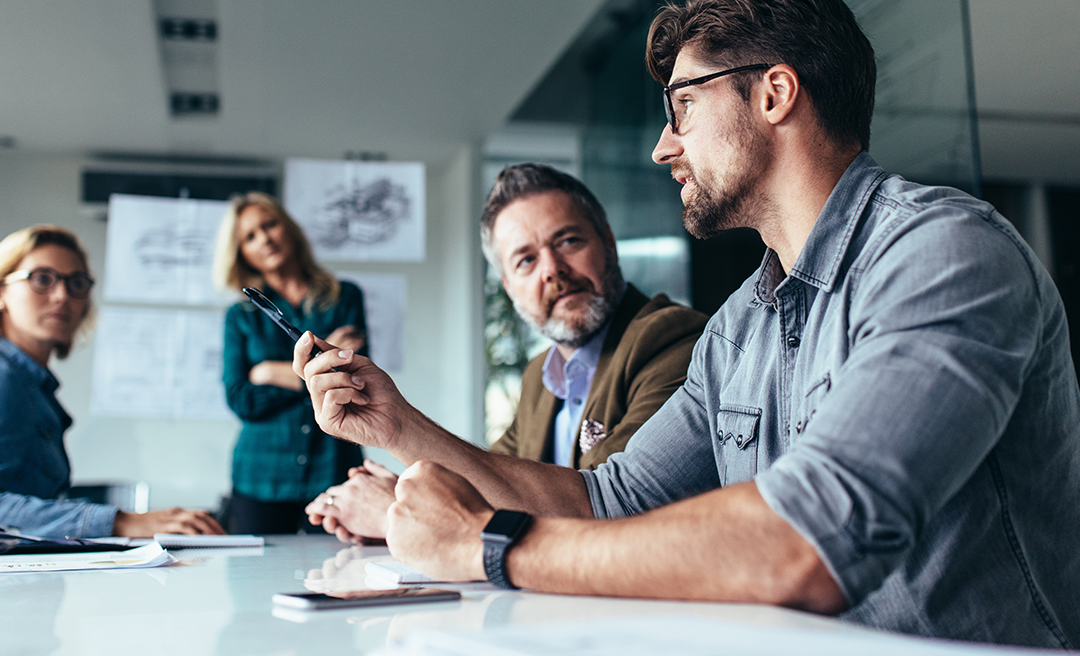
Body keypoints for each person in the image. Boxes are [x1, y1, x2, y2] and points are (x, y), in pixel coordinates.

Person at [293, 0, 1080, 648]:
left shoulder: (944, 255)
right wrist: (395, 426)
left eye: (683, 107)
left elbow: (807, 542)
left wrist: (490, 546)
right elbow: (606, 501)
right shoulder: (740, 326)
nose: (664, 147)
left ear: (774, 93)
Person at [304, 164, 708, 542]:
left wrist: (397, 510)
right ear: (508, 286)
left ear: (608, 242)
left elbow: (603, 511)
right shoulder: (540, 376)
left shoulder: (673, 340)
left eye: (567, 241)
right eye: (526, 260)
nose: (552, 269)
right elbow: (491, 482)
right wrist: (408, 489)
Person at [0, 225, 224, 538]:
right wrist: (122, 522)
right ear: (2, 291)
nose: (62, 295)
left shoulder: (34, 386)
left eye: (76, 283)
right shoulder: (5, 378)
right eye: (41, 278)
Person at [214, 192, 367, 534]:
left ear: (289, 229)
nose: (264, 238)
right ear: (242, 253)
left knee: (339, 575)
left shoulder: (345, 298)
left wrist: (267, 372)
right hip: (261, 476)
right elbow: (241, 398)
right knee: (255, 583)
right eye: (250, 236)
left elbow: (353, 380)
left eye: (270, 225)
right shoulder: (240, 317)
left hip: (333, 469)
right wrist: (318, 371)